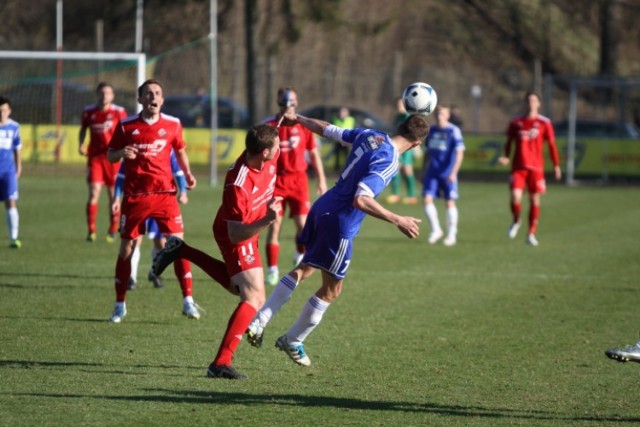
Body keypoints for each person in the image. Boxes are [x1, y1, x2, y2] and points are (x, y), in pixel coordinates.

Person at [245, 112, 430, 367]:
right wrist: (398, 219)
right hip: (341, 222)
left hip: (322, 207)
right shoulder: (389, 160)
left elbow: (328, 129)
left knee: (306, 268)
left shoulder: (371, 135)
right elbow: (361, 199)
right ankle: (293, 339)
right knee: (332, 290)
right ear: (417, 144)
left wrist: (298, 117)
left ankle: (260, 320)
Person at [151, 124, 282, 380]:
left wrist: (290, 118)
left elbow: (274, 131)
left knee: (241, 289)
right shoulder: (238, 183)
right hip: (235, 232)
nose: (281, 149)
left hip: (249, 227)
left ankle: (182, 250)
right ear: (265, 152)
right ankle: (220, 363)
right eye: (277, 146)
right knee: (254, 297)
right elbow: (234, 234)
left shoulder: (266, 154)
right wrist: (267, 219)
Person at [106, 79, 199, 323]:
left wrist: (187, 174)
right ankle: (119, 304)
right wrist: (120, 153)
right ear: (140, 99)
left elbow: (180, 151)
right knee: (127, 248)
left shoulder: (173, 124)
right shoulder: (126, 126)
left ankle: (188, 300)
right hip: (135, 197)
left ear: (162, 99)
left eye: (157, 93)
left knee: (179, 244)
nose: (153, 97)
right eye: (148, 94)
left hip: (165, 196)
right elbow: (110, 155)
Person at [262, 87, 327, 286]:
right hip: (277, 183)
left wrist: (321, 179)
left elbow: (313, 153)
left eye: (292, 102)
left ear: (297, 103)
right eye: (284, 102)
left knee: (303, 226)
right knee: (275, 227)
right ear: (278, 103)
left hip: (299, 181)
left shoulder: (304, 125)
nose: (289, 106)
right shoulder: (270, 125)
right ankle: (272, 270)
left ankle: (299, 256)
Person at [113, 150, 188, 290]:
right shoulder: (135, 148)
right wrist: (116, 197)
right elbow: (122, 175)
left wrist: (183, 192)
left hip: (161, 200)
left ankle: (154, 272)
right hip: (139, 200)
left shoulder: (166, 148)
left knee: (161, 243)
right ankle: (132, 277)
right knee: (135, 240)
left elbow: (178, 171)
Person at [498, 91, 561, 246]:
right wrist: (506, 156)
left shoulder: (545, 123)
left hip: (536, 168)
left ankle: (531, 233)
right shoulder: (516, 122)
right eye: (528, 100)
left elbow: (552, 145)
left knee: (534, 200)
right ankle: (516, 220)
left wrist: (556, 165)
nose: (531, 103)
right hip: (518, 167)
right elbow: (509, 142)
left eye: (534, 100)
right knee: (515, 196)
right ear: (525, 103)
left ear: (539, 104)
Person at [79, 82, 128, 243]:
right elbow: (83, 129)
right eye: (102, 93)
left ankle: (112, 229)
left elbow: (126, 132)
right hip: (95, 158)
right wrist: (81, 143)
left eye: (107, 93)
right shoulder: (88, 112)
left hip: (113, 159)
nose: (104, 96)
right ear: (97, 94)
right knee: (94, 193)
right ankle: (91, 230)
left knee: (113, 196)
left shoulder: (119, 112)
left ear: (112, 96)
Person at [422, 106, 465, 246]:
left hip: (448, 172)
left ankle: (452, 234)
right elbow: (426, 152)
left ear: (448, 115)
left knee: (449, 201)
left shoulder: (453, 131)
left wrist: (453, 172)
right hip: (433, 171)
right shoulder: (431, 130)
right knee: (427, 199)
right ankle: (436, 230)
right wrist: (423, 170)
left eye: (443, 113)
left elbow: (459, 152)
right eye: (438, 113)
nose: (440, 115)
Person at [386, 97, 418, 205]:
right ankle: (395, 194)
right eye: (397, 104)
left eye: (401, 104)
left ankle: (411, 195)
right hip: (396, 145)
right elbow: (393, 130)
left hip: (406, 147)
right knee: (395, 169)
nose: (399, 106)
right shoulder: (397, 117)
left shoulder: (408, 117)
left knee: (407, 170)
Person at [0, 96, 22, 249]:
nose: (2, 113)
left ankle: (13, 237)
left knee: (11, 201)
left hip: (8, 170)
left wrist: (19, 166)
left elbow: (17, 148)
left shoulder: (14, 127)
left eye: (5, 110)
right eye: (0, 111)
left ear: (9, 111)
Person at [331, 106, 355, 172]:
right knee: (337, 157)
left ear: (347, 113)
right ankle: (336, 170)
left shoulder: (351, 119)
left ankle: (347, 169)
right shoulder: (336, 119)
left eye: (344, 112)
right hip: (338, 141)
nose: (342, 113)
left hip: (347, 141)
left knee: (347, 156)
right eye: (341, 112)